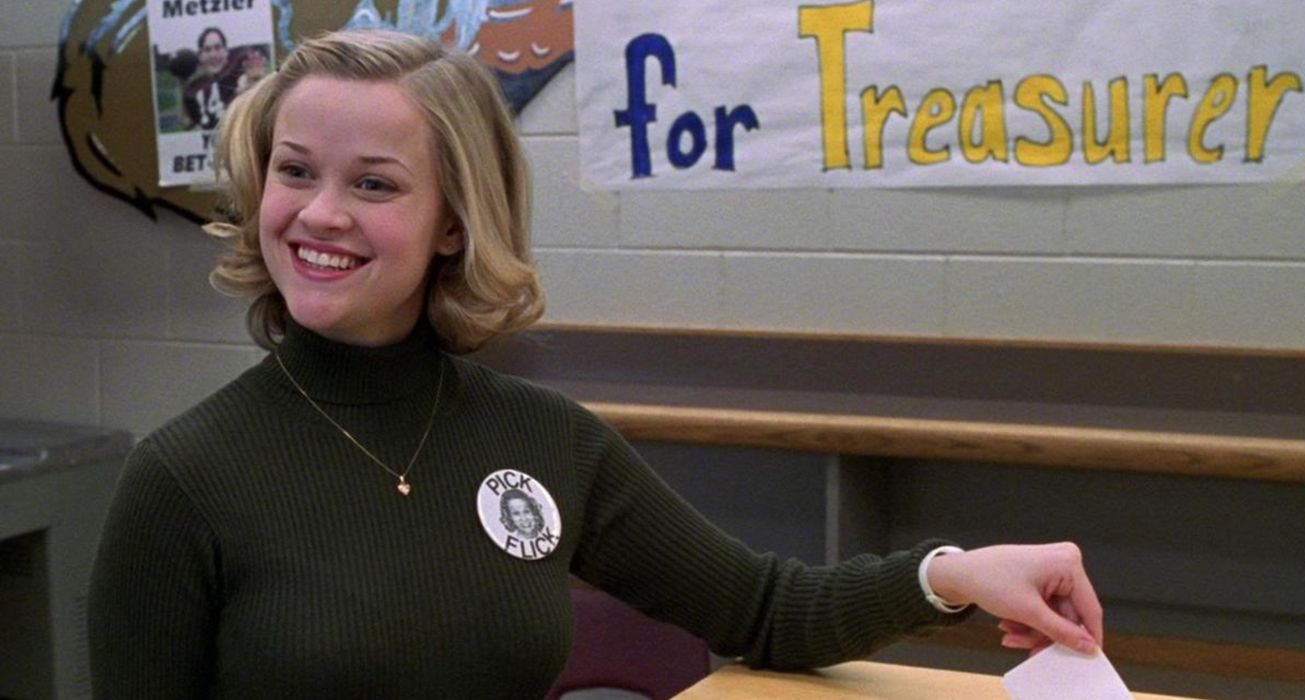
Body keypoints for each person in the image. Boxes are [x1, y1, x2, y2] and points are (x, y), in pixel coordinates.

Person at [87, 30, 1103, 698]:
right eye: (295, 171)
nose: (318, 213)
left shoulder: (539, 437)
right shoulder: (183, 478)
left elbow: (760, 607)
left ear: (453, 223)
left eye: (375, 183)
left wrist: (954, 575)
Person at [181, 27, 240, 131]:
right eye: (207, 49)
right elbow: (188, 125)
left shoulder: (239, 79)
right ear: (200, 55)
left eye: (218, 48)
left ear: (226, 51)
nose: (213, 55)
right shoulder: (193, 88)